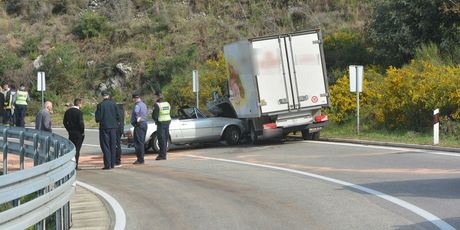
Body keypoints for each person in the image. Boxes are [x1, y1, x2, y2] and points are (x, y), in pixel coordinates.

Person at [95, 91, 121, 170]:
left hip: (104, 127)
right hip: (113, 127)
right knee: (113, 145)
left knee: (105, 146)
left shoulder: (100, 105)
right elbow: (118, 116)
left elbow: (98, 119)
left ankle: (107, 164)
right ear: (108, 95)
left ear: (102, 96)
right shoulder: (114, 104)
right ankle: (112, 164)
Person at [63, 98, 85, 170]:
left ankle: (70, 163)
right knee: (77, 150)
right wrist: (82, 131)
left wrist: (68, 129)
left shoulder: (68, 111)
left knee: (71, 149)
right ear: (79, 104)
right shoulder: (79, 112)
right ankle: (75, 165)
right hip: (78, 133)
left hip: (71, 132)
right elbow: (81, 123)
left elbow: (64, 122)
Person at [152, 92, 171, 160]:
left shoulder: (157, 105)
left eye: (155, 96)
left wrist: (156, 121)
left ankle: (162, 155)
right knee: (165, 138)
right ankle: (164, 154)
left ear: (157, 97)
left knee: (161, 139)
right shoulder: (167, 103)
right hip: (167, 122)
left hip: (161, 123)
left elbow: (154, 116)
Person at [130, 93, 148, 164]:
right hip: (144, 124)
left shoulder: (137, 106)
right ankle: (141, 158)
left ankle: (140, 159)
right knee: (142, 142)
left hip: (139, 125)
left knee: (138, 143)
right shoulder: (144, 104)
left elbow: (136, 113)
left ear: (134, 98)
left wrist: (137, 120)